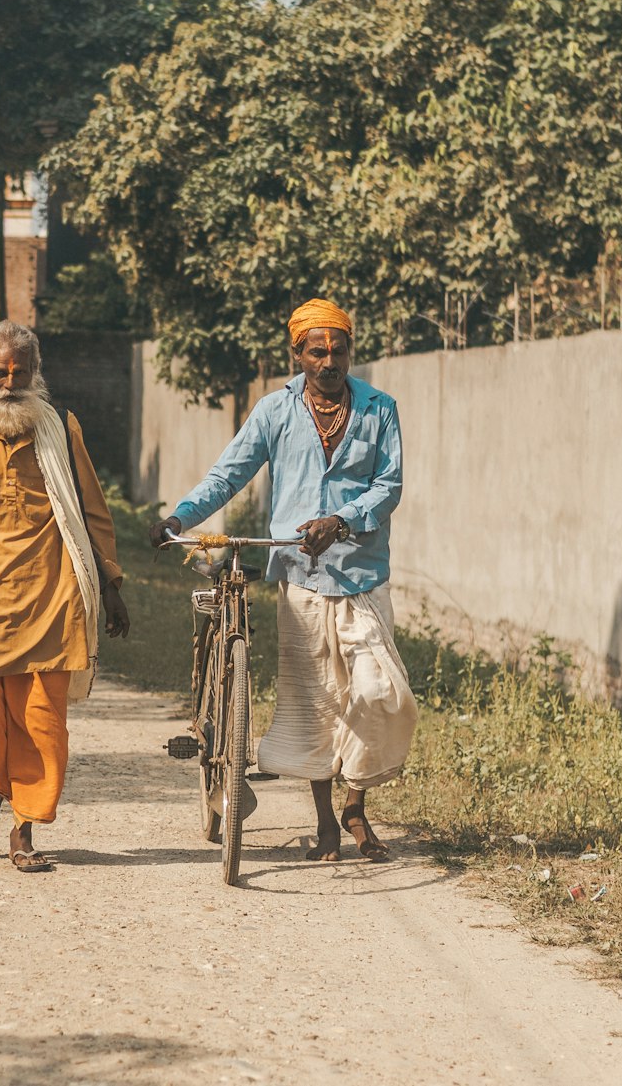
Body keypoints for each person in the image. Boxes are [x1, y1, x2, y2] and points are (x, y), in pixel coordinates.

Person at [150, 297, 417, 864]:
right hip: (299, 578)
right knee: (312, 701)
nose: (328, 361)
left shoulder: (380, 409)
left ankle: (357, 805)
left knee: (376, 692)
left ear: (350, 351)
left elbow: (389, 486)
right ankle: (328, 820)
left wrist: (342, 520)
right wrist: (180, 518)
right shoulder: (275, 411)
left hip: (363, 573)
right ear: (296, 354)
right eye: (316, 351)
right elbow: (230, 474)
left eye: (337, 350)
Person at [0, 320, 131, 874]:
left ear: (36, 373)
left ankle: (24, 831)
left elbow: (91, 509)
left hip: (53, 594)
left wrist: (110, 585)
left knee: (40, 720)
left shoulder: (60, 427)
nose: (9, 382)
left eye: (19, 371)